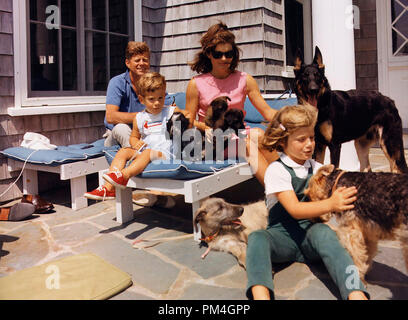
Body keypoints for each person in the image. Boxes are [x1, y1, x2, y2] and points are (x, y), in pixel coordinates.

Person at [245, 105, 369, 300]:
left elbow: (339, 184)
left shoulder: (317, 167)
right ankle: (261, 294)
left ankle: (355, 292)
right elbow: (294, 209)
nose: (309, 144)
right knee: (257, 238)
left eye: (311, 138)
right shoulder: (277, 170)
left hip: (311, 234)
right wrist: (331, 204)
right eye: (301, 139)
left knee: (327, 235)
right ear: (283, 142)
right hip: (281, 238)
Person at [185, 22, 279, 185]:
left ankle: (289, 185)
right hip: (213, 140)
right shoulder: (196, 84)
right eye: (218, 54)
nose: (224, 59)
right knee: (248, 144)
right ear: (208, 53)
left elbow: (267, 112)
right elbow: (188, 121)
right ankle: (279, 196)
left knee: (260, 134)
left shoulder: (245, 79)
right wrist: (206, 128)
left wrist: (293, 121)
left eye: (228, 54)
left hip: (238, 133)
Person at [86, 41, 172, 204]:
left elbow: (166, 107)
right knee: (123, 129)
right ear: (128, 63)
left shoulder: (152, 84)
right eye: (137, 60)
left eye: (145, 60)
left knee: (156, 140)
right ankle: (144, 188)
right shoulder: (118, 83)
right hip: (117, 133)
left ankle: (117, 186)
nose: (142, 64)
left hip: (145, 134)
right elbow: (111, 117)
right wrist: (143, 116)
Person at [87, 72, 190, 200]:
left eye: (160, 98)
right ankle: (108, 189)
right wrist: (135, 142)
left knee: (147, 154)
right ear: (142, 99)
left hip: (166, 153)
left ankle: (123, 176)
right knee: (124, 151)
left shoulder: (169, 111)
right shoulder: (139, 118)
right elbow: (134, 136)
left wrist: (190, 119)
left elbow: (188, 116)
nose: (157, 103)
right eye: (151, 99)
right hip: (146, 151)